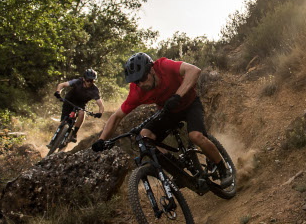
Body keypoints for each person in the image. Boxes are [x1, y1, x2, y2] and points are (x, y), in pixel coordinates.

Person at [92, 52, 232, 187]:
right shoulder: (137, 92)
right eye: (136, 81)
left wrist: (177, 96)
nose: (140, 84)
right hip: (169, 111)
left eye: (142, 78)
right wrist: (101, 140)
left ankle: (223, 169)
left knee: (195, 136)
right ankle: (178, 170)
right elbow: (116, 117)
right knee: (145, 137)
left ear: (151, 69)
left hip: (190, 104)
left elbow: (194, 70)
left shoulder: (164, 66)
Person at [53, 68, 105, 144]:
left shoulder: (94, 90)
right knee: (63, 121)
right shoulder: (78, 82)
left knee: (82, 113)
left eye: (92, 80)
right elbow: (62, 85)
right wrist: (58, 92)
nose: (90, 82)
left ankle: (74, 133)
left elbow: (100, 104)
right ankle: (56, 139)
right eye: (88, 80)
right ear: (84, 79)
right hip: (69, 100)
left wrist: (100, 113)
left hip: (81, 104)